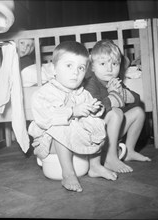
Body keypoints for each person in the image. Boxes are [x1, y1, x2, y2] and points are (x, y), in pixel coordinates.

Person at [28, 41, 117, 193]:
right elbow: (46, 119)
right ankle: (68, 173)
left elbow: (94, 111)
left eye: (81, 68)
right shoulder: (44, 93)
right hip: (49, 143)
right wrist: (72, 111)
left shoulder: (82, 93)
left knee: (96, 122)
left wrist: (95, 109)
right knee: (60, 127)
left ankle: (95, 167)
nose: (75, 72)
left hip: (77, 139)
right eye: (69, 66)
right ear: (54, 69)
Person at [84, 39, 151, 173]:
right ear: (92, 66)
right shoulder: (91, 84)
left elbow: (136, 100)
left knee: (138, 111)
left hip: (112, 133)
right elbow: (96, 110)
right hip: (95, 135)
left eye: (114, 64)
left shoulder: (115, 82)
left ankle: (129, 151)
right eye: (102, 64)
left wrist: (122, 93)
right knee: (115, 112)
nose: (109, 69)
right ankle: (110, 158)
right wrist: (113, 95)